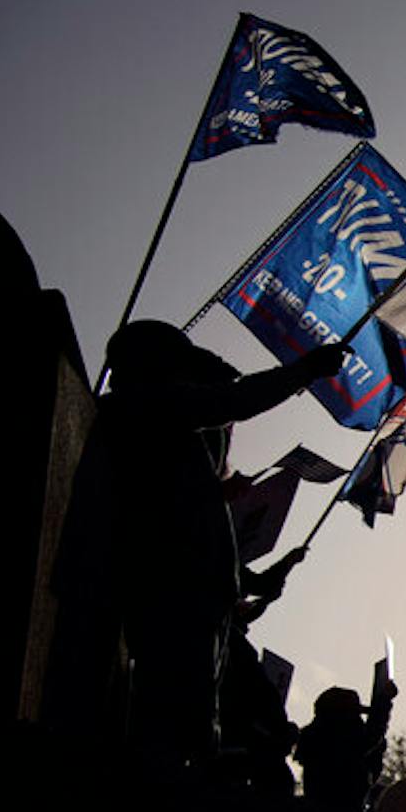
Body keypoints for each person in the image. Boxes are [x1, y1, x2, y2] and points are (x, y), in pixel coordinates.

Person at [81, 321, 346, 779]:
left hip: (192, 592)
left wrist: (259, 579)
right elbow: (234, 402)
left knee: (188, 716)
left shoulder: (168, 433)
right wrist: (305, 370)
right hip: (172, 590)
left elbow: (200, 528)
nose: (185, 379)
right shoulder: (143, 407)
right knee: (169, 717)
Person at [294, 682, 395, 812]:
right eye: (355, 715)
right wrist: (384, 702)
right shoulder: (337, 741)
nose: (359, 721)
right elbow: (370, 737)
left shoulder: (314, 739)